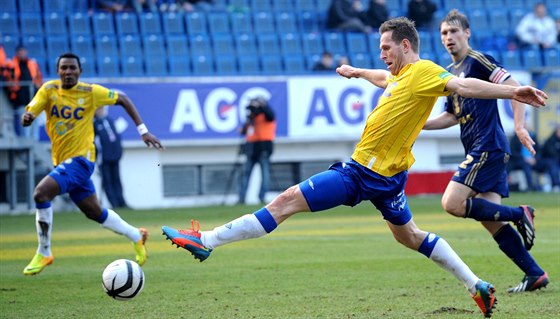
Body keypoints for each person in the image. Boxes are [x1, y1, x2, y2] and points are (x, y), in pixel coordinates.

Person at [163, 17, 548, 317]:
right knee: (410, 236)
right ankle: (477, 285)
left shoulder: (426, 71)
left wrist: (512, 91)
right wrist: (359, 72)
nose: (382, 54)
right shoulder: (400, 76)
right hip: (388, 178)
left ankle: (207, 241)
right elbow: (386, 78)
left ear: (406, 45)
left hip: (361, 173)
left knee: (287, 200)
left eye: (386, 47)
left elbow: (464, 88)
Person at [423, 9, 549, 294]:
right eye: (444, 33)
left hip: (487, 146)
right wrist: (420, 125)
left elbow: (516, 88)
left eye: (454, 31)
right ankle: (535, 273)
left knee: (452, 203)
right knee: (491, 219)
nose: (448, 37)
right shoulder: (450, 75)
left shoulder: (478, 61)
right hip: (481, 148)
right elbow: (452, 116)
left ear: (467, 33)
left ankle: (520, 213)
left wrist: (519, 126)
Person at [21, 52, 164, 276]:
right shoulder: (49, 90)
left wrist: (143, 131)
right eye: (64, 68)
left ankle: (44, 251)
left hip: (81, 160)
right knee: (95, 212)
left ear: (80, 71)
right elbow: (32, 108)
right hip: (64, 161)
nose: (68, 72)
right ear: (58, 71)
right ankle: (137, 235)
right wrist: (27, 116)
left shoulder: (90, 92)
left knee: (41, 194)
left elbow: (123, 99)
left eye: (72, 68)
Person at [237, 97, 276, 205]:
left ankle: (262, 196)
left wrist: (261, 105)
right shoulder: (252, 117)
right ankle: (241, 197)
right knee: (246, 173)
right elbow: (245, 130)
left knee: (265, 174)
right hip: (251, 148)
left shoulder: (267, 114)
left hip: (264, 147)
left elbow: (270, 115)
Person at [3, 45, 43, 138]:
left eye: (23, 52)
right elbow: (10, 81)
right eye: (20, 52)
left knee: (35, 123)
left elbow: (38, 79)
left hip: (33, 100)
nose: (22, 54)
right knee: (25, 125)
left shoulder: (33, 64)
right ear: (17, 53)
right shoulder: (12, 65)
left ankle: (35, 142)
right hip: (20, 101)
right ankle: (26, 141)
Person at [94, 106, 128, 209]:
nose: (101, 111)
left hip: (114, 156)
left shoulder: (109, 121)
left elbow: (116, 138)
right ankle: (114, 203)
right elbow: (95, 142)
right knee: (107, 181)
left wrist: (119, 151)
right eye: (99, 109)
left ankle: (121, 202)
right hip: (103, 158)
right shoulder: (94, 124)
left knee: (117, 179)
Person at [509, 124, 560, 192]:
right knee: (526, 166)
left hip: (534, 161)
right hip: (522, 161)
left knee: (550, 163)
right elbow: (513, 152)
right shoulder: (515, 139)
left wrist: (535, 159)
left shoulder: (533, 137)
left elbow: (539, 150)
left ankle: (555, 186)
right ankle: (530, 188)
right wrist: (525, 159)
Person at [541, 126, 560, 192]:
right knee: (553, 166)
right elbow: (550, 153)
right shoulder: (550, 140)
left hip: (557, 160)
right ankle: (556, 185)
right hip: (548, 160)